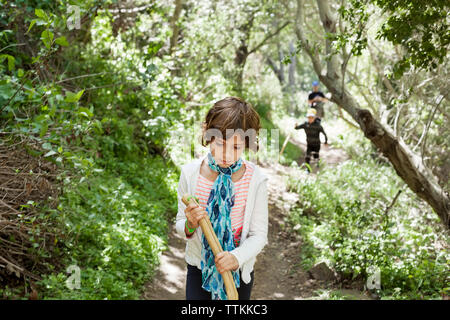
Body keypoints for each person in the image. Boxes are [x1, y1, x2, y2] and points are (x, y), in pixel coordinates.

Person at [176, 96, 268, 300]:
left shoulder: (256, 180)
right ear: (207, 133)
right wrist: (190, 224)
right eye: (220, 143)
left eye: (235, 147)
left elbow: (259, 235)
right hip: (199, 269)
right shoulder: (190, 174)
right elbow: (180, 224)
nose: (225, 154)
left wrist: (236, 257)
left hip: (238, 271)